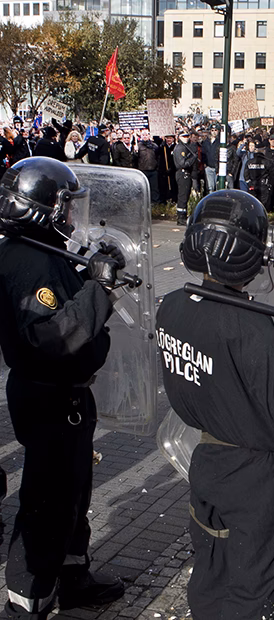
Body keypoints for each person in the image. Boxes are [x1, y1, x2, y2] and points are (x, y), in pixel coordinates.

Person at [159, 190, 274, 619]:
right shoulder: (251, 328)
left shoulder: (172, 306)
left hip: (206, 460)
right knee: (254, 586)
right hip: (253, 477)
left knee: (211, 568)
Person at [0, 157, 127, 618]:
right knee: (47, 502)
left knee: (73, 490)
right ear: (43, 209)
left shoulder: (38, 250)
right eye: (65, 207)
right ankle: (28, 600)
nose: (71, 217)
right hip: (49, 394)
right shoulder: (29, 262)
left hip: (63, 394)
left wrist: (95, 271)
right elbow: (53, 337)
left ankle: (73, 576)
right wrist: (101, 291)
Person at [173, 131, 199, 225]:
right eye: (184, 136)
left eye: (187, 136)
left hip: (186, 173)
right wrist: (193, 158)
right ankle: (181, 217)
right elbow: (182, 163)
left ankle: (183, 214)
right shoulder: (180, 148)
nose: (186, 137)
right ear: (179, 137)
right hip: (182, 173)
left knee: (185, 196)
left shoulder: (186, 146)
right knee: (182, 196)